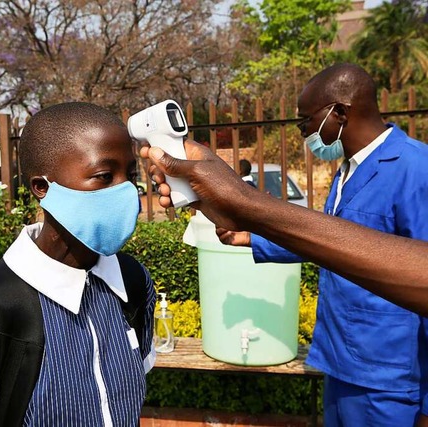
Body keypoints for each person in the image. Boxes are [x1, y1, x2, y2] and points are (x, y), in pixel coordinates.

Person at [144, 63, 428, 426]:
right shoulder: (348, 170)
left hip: (390, 381)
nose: (303, 133)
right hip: (341, 363)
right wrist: (252, 236)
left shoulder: (414, 169)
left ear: (339, 112)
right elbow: (331, 245)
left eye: (306, 121)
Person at [0, 102, 156, 427]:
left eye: (129, 175)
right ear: (41, 188)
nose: (125, 190)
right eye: (103, 176)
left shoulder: (133, 281)